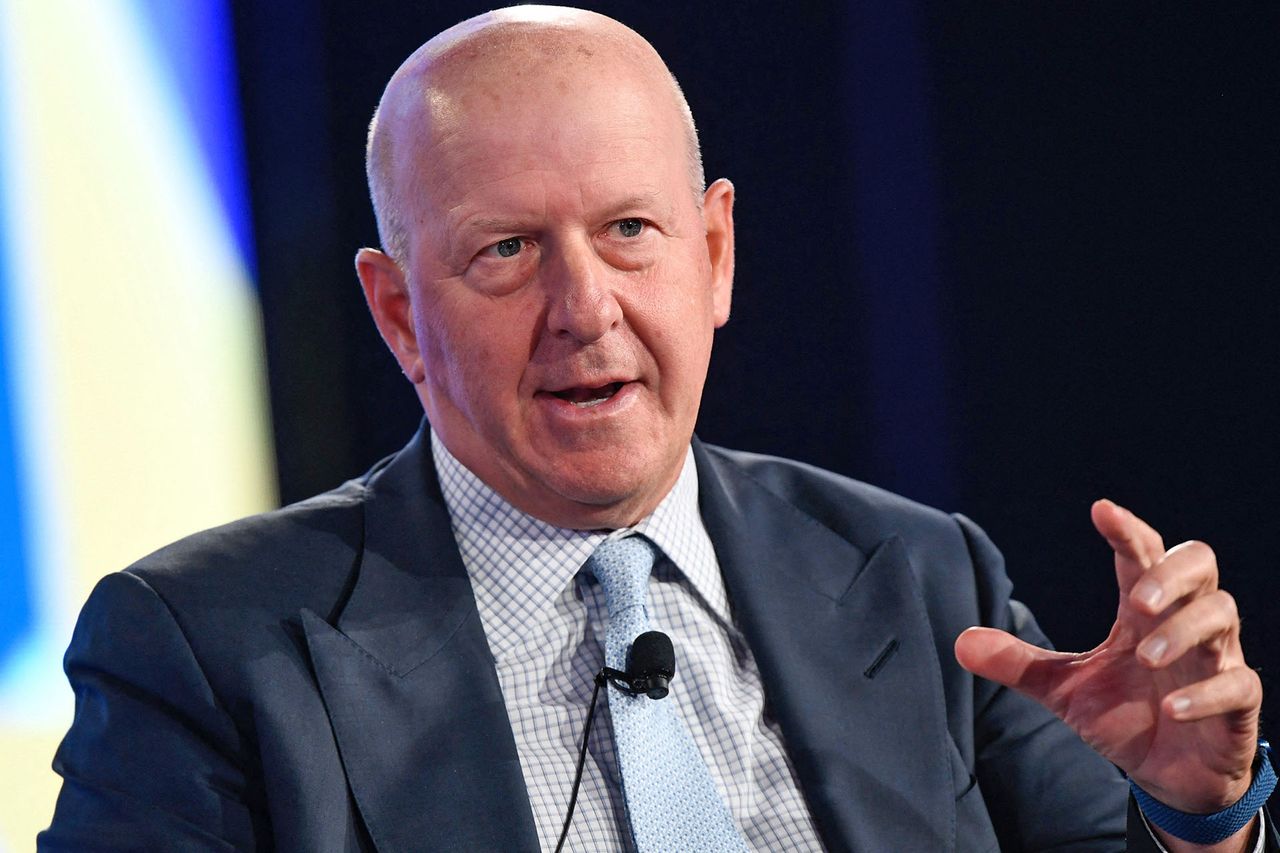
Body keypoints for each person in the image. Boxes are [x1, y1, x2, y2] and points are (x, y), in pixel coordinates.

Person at [41, 6, 1274, 852]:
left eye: (629, 230)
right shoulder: (207, 650)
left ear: (715, 254)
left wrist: (1197, 817)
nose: (585, 310)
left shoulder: (915, 574)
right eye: (506, 250)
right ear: (398, 314)